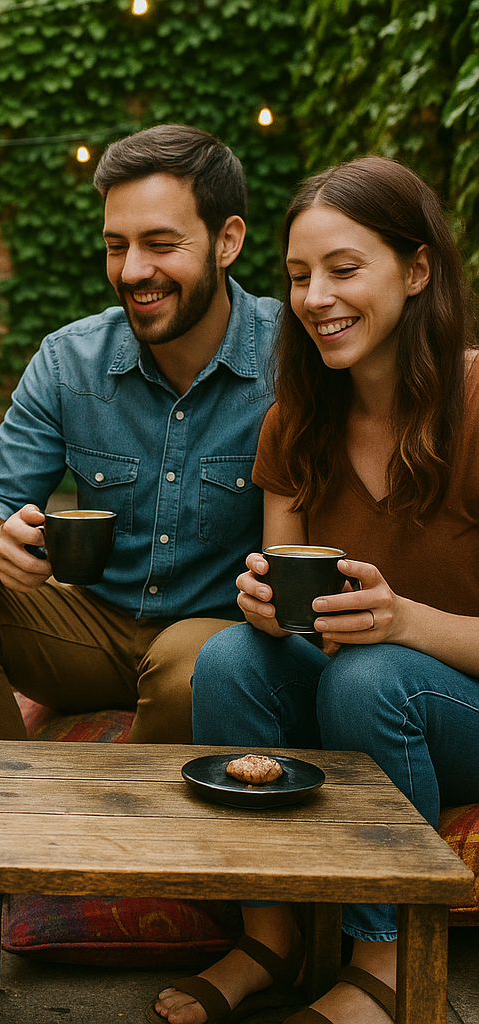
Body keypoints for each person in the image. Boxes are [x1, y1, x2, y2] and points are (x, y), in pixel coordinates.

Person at [0, 124, 282, 910]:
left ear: (228, 239)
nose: (134, 272)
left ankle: (94, 826)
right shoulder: (69, 360)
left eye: (161, 244)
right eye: (116, 246)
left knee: (191, 664)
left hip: (213, 637)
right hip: (90, 625)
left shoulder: (290, 353)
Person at [161, 157, 479, 1024]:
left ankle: (385, 962)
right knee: (228, 657)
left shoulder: (477, 401)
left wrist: (405, 621)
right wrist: (264, 605)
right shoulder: (297, 417)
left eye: (344, 269)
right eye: (300, 276)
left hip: (457, 704)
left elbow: (384, 649)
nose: (315, 297)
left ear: (417, 271)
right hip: (355, 690)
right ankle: (271, 937)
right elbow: (285, 596)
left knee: (371, 675)